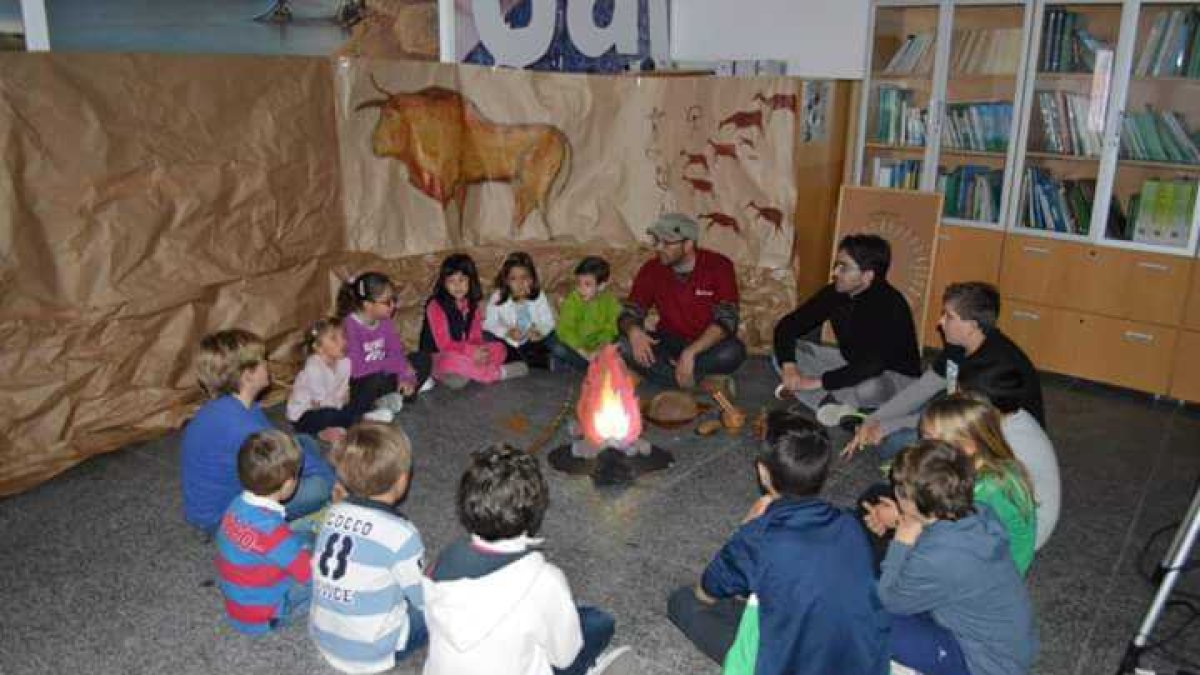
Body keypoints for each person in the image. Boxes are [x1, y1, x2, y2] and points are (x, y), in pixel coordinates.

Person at [667, 411, 890, 675]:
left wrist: (746, 528)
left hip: (792, 666)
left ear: (763, 473)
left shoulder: (760, 536)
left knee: (683, 601)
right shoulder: (849, 525)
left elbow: (707, 589)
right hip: (863, 663)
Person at [422, 444, 633, 675]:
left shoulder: (441, 564)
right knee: (598, 622)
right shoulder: (544, 580)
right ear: (536, 513)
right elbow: (564, 657)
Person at [878, 440, 1036, 675]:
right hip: (1010, 648)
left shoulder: (939, 555)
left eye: (899, 491)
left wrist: (901, 541)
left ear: (911, 501)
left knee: (870, 615)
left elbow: (889, 600)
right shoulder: (980, 512)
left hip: (983, 663)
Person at [846, 282, 1044, 461]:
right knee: (907, 410)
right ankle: (869, 422)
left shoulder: (990, 371)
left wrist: (887, 426)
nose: (940, 322)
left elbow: (958, 422)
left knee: (893, 443)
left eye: (948, 316)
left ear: (972, 326)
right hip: (961, 412)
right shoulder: (959, 345)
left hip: (995, 439)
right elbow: (923, 388)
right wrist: (874, 420)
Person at [864, 395, 1038, 576]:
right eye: (923, 436)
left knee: (882, 554)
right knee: (877, 495)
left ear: (968, 446)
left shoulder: (984, 491)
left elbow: (946, 537)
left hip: (984, 572)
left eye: (929, 439)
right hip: (970, 542)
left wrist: (901, 520)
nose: (921, 445)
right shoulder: (982, 467)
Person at [181, 329, 334, 534]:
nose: (267, 365)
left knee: (304, 442)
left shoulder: (232, 406)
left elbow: (278, 443)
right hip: (223, 519)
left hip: (212, 505)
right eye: (263, 360)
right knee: (319, 488)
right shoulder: (241, 426)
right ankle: (277, 527)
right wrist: (335, 485)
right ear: (248, 376)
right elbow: (278, 451)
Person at [309, 423, 428, 673]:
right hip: (371, 652)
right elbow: (422, 599)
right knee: (440, 606)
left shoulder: (332, 513)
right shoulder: (402, 535)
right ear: (402, 479)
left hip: (324, 634)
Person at [772, 234, 921, 426]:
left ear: (868, 275)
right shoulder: (835, 293)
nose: (835, 272)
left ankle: (836, 401)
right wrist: (790, 367)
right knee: (784, 353)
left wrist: (818, 382)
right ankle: (834, 405)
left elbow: (873, 364)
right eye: (837, 265)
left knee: (868, 389)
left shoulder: (890, 305)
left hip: (893, 377)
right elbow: (787, 326)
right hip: (851, 364)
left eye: (844, 267)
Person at [620, 213, 746, 390]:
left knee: (733, 352)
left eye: (667, 243)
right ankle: (698, 380)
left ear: (688, 244)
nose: (659, 248)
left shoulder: (719, 265)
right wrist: (634, 332)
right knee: (621, 345)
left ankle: (663, 375)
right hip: (667, 341)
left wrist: (691, 352)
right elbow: (630, 311)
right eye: (656, 241)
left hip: (705, 344)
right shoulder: (651, 269)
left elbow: (727, 319)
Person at [214, 430, 313, 634]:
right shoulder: (274, 533)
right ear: (287, 484)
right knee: (328, 584)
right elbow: (311, 576)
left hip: (239, 605)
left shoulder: (235, 505)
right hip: (266, 616)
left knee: (298, 537)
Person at [336, 271, 432, 423]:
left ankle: (400, 394)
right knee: (375, 379)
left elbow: (396, 351)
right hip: (360, 383)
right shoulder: (349, 326)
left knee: (422, 358)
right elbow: (356, 369)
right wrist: (395, 365)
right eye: (387, 302)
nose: (393, 305)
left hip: (384, 374)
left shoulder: (384, 320)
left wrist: (405, 377)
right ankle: (369, 410)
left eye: (393, 299)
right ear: (368, 305)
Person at [419, 253, 525, 388]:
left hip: (465, 353)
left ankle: (467, 372)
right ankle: (496, 373)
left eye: (462, 280)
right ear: (444, 283)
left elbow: (476, 337)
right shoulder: (435, 305)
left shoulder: (472, 304)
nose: (457, 286)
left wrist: (480, 352)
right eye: (451, 281)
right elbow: (444, 345)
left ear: (471, 281)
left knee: (500, 348)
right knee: (451, 360)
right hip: (438, 356)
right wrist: (471, 352)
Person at [287, 318, 390, 443]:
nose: (343, 341)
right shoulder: (313, 368)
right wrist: (346, 406)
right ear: (318, 348)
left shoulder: (345, 362)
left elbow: (344, 388)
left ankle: (352, 420)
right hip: (306, 414)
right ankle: (361, 419)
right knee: (328, 415)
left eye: (343, 336)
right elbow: (320, 403)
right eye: (334, 339)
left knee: (371, 380)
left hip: (337, 404)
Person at [484, 251, 558, 370]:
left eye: (524, 277)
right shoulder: (498, 296)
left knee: (555, 341)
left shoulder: (539, 296)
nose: (520, 283)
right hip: (509, 343)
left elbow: (548, 322)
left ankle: (524, 361)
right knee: (486, 337)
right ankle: (533, 362)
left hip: (533, 343)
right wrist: (507, 332)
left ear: (532, 279)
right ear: (506, 281)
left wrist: (539, 332)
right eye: (513, 279)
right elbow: (489, 323)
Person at [552, 256, 622, 372]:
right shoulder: (573, 300)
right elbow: (565, 329)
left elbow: (611, 327)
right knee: (557, 348)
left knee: (620, 344)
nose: (581, 289)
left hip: (597, 350)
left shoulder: (610, 302)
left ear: (601, 286)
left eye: (587, 284)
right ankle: (580, 367)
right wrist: (583, 352)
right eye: (578, 283)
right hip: (576, 349)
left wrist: (600, 347)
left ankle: (587, 368)